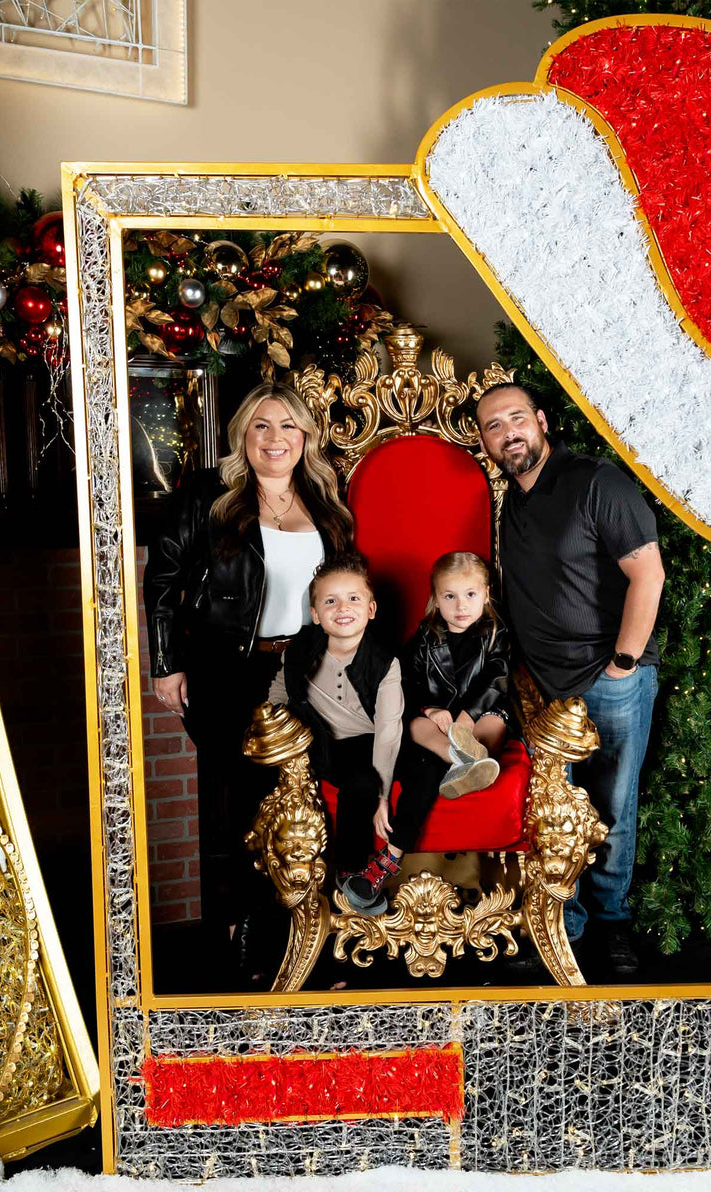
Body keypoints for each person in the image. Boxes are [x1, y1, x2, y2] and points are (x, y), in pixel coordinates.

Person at [143, 380, 353, 974]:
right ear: (242, 436)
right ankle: (231, 933)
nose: (274, 438)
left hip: (303, 670)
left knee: (295, 799)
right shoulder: (212, 492)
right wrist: (167, 663)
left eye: (287, 425)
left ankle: (287, 927)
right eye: (261, 425)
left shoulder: (326, 498)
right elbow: (162, 578)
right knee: (231, 803)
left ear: (305, 435)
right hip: (225, 666)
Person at [475, 382, 665, 979]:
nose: (508, 433)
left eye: (515, 419)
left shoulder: (595, 481)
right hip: (542, 688)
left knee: (611, 805)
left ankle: (611, 924)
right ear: (485, 441)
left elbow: (648, 575)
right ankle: (567, 924)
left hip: (608, 680)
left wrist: (623, 664)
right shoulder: (512, 499)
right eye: (492, 426)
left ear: (540, 421)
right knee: (555, 808)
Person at [342, 551, 512, 912]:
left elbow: (497, 677)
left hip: (479, 717)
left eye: (469, 595)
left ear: (485, 595)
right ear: (435, 599)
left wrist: (467, 716)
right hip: (438, 724)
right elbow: (401, 679)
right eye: (449, 596)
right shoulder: (426, 636)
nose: (460, 606)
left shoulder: (496, 633)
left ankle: (470, 753)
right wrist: (430, 709)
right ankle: (460, 761)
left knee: (494, 724)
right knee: (415, 725)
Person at [266, 554, 404, 874]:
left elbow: (387, 732)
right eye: (331, 601)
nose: (343, 608)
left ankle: (349, 871)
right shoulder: (300, 649)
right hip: (317, 739)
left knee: (363, 782)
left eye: (354, 599)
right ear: (315, 615)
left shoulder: (385, 663)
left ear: (370, 609)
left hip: (366, 742)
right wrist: (277, 725)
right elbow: (279, 692)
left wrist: (384, 794)